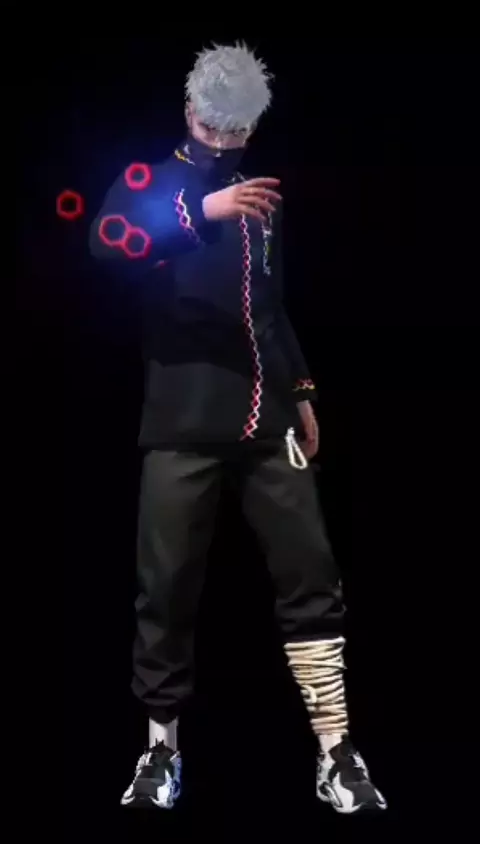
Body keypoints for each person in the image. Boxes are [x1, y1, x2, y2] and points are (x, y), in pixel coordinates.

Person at [89, 42, 387, 815]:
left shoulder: (261, 199)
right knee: (165, 590)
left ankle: (336, 750)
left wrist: (304, 391)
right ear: (190, 111)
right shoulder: (149, 181)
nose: (222, 143)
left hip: (267, 419)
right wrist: (202, 212)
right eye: (212, 128)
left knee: (312, 576)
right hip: (180, 422)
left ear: (252, 129)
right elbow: (110, 241)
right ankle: (160, 750)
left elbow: (269, 309)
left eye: (237, 132)